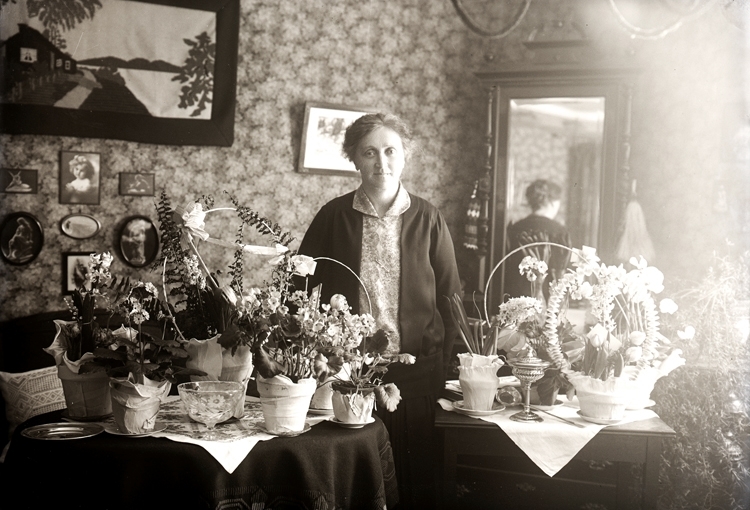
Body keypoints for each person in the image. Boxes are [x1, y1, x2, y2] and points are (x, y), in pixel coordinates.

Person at [296, 112, 461, 509]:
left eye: (390, 151)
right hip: (347, 379)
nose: (381, 162)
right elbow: (299, 289)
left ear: (405, 156)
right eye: (369, 152)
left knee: (413, 483)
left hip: (416, 379)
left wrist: (448, 368)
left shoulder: (429, 218)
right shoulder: (333, 216)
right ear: (354, 158)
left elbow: (450, 298)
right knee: (352, 487)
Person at [503, 179, 571, 300]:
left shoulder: (515, 228)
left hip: (517, 297)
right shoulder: (560, 232)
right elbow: (564, 269)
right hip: (550, 299)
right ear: (552, 202)